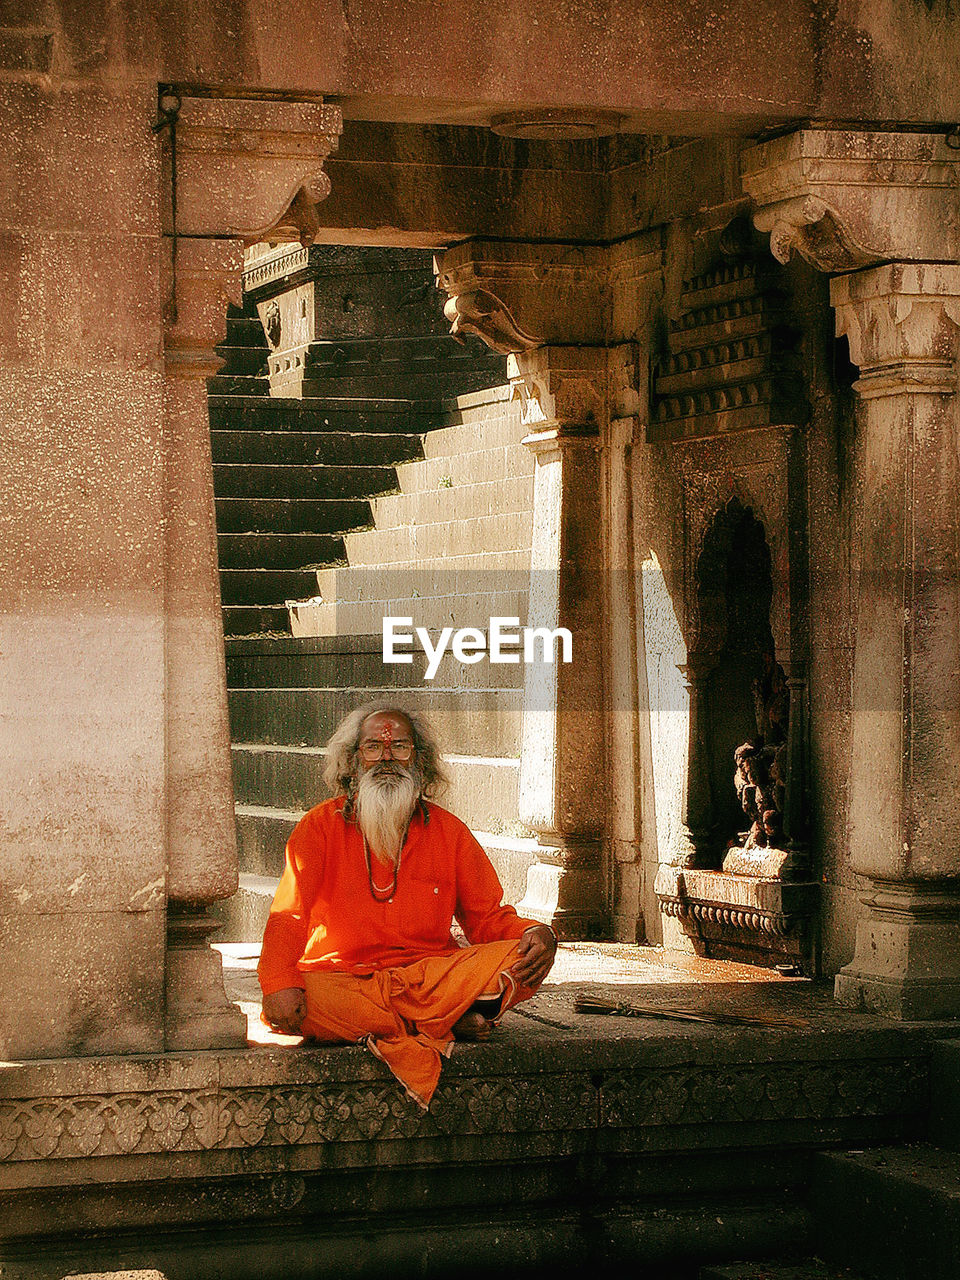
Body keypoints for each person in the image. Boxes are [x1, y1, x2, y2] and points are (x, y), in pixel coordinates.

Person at [258, 702, 558, 1107]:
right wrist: (278, 983)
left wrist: (535, 934)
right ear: (353, 761)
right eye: (373, 748)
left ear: (420, 761)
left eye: (399, 747)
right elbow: (289, 915)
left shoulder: (448, 832)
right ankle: (440, 1021)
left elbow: (486, 917)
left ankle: (418, 1018)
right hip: (344, 980)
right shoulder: (319, 826)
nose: (386, 758)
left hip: (427, 976)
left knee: (519, 958)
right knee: (300, 1000)